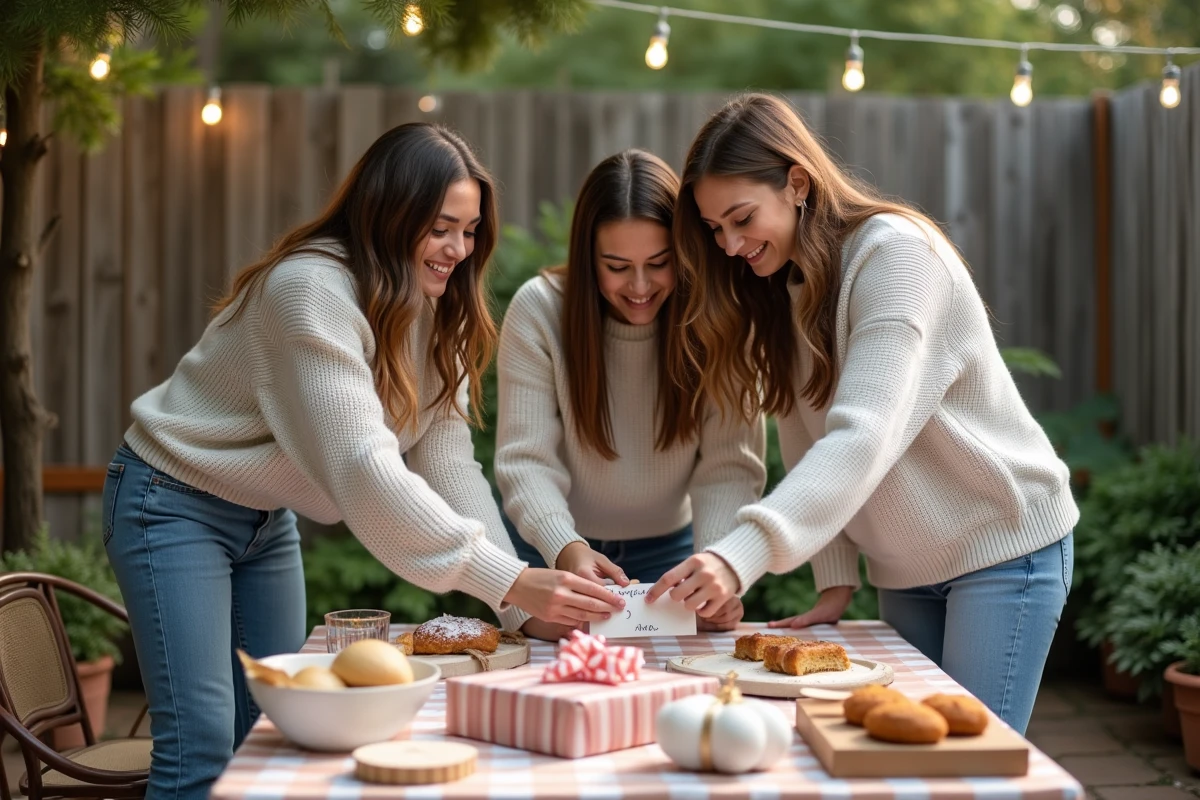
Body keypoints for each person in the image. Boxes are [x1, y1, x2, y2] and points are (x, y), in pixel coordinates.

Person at [102, 122, 623, 800]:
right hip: (171, 502)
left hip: (264, 520)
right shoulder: (310, 291)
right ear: (388, 215)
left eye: (469, 231)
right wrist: (515, 579)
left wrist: (516, 602)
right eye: (441, 228)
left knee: (271, 734)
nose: (459, 250)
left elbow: (448, 461)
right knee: (200, 747)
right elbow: (363, 467)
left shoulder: (433, 307)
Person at [647, 94, 1076, 734]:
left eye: (741, 218)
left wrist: (737, 556)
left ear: (797, 182)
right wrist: (836, 575)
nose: (731, 244)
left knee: (966, 766)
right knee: (898, 751)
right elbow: (804, 435)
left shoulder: (897, 256)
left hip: (1001, 548)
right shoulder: (782, 289)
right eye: (715, 229)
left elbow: (863, 437)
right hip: (904, 569)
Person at [495, 149, 766, 630]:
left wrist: (721, 563)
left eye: (659, 263)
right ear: (587, 258)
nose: (639, 286)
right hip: (549, 547)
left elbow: (729, 468)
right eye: (617, 266)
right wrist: (565, 547)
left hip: (675, 556)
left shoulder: (721, 317)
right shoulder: (539, 312)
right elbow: (525, 459)